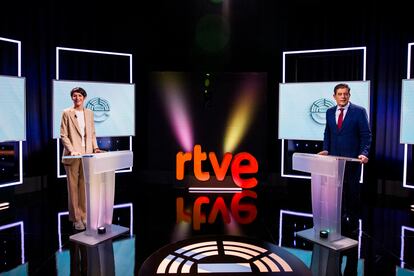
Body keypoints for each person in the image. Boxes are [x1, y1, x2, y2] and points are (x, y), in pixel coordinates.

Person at [318, 83, 372, 275]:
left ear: (349, 95)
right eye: (339, 94)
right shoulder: (330, 112)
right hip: (333, 161)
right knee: (336, 194)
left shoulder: (359, 112)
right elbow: (328, 133)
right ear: (334, 96)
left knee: (351, 193)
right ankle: (338, 225)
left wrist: (364, 153)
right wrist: (326, 148)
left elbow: (366, 136)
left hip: (352, 161)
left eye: (345, 94)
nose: (342, 97)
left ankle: (353, 229)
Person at [60, 87, 101, 231]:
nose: (77, 98)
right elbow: (63, 135)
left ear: (84, 97)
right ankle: (76, 219)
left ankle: (84, 216)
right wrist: (72, 150)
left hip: (87, 154)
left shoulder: (89, 113)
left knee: (84, 187)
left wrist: (95, 148)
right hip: (73, 155)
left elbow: (93, 133)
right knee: (73, 188)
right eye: (74, 96)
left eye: (79, 95)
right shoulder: (66, 113)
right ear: (72, 98)